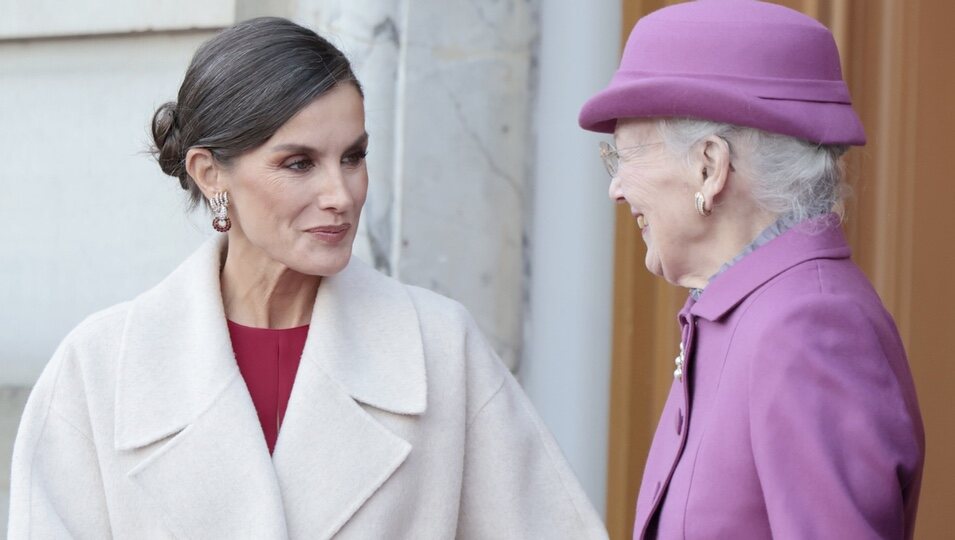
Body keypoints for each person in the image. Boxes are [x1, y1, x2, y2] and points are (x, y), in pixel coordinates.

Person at [8, 17, 607, 539]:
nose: (340, 194)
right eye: (299, 163)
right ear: (210, 174)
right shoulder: (99, 370)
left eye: (353, 156)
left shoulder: (439, 349)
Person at [578, 1, 924, 539]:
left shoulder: (806, 327)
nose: (616, 189)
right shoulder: (746, 315)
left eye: (627, 157)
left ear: (710, 167)